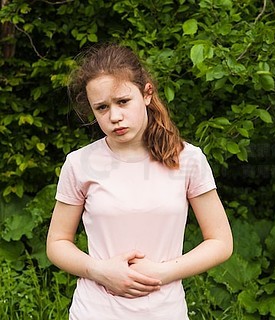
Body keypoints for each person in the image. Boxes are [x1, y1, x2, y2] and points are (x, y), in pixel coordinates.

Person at [46, 43, 233, 320]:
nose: (114, 117)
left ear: (146, 93)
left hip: (165, 312)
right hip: (94, 312)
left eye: (123, 101)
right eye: (102, 108)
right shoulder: (80, 163)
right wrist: (99, 270)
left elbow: (220, 242)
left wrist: (163, 272)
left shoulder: (188, 159)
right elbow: (57, 242)